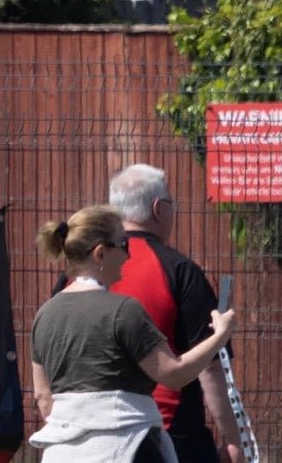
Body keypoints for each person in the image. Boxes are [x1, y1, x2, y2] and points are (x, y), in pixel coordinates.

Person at [28, 205, 236, 462]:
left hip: (60, 452)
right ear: (100, 254)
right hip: (126, 446)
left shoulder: (44, 315)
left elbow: (43, 396)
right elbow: (173, 374)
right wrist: (219, 338)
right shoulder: (124, 310)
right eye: (123, 244)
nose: (128, 254)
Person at [103, 163, 245, 462]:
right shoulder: (180, 271)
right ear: (158, 209)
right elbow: (210, 364)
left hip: (97, 429)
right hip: (168, 432)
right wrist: (233, 439)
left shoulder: (81, 275)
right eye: (171, 204)